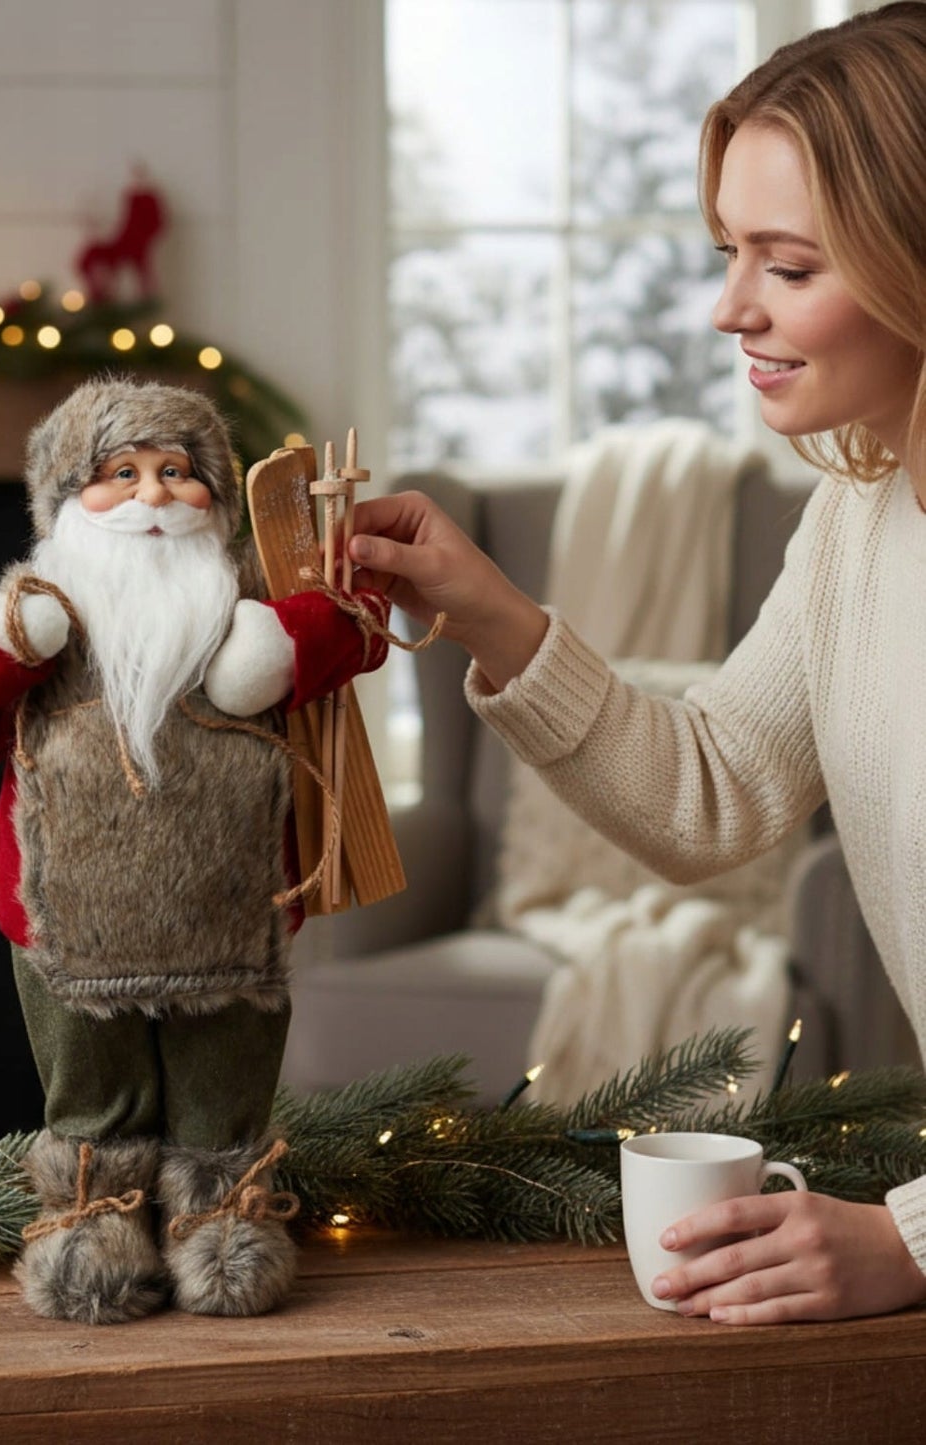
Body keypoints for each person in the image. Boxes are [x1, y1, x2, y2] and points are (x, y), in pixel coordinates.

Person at [348, 2, 926, 1324]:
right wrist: (490, 611)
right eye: (730, 252)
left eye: (787, 265)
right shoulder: (855, 520)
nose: (729, 309)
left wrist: (909, 1241)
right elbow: (709, 793)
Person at [0, 377, 389, 1323]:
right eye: (118, 474)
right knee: (92, 1093)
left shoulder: (246, 594)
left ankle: (222, 1215)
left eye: (176, 472)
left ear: (216, 491)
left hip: (232, 911)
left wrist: (286, 640)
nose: (153, 496)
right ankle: (93, 1222)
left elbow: (359, 623)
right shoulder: (41, 612)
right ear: (64, 499)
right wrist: (1, 636)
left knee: (224, 1085)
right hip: (67, 919)